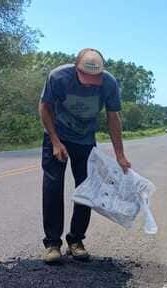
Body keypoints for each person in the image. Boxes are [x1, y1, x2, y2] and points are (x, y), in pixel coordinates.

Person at [38, 48, 132, 264]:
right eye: (86, 78)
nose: (90, 83)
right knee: (53, 187)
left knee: (87, 189)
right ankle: (52, 244)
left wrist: (120, 154)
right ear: (75, 67)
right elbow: (44, 107)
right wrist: (55, 141)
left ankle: (76, 241)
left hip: (85, 139)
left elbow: (113, 117)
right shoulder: (58, 77)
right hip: (57, 135)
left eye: (95, 78)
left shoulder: (109, 83)